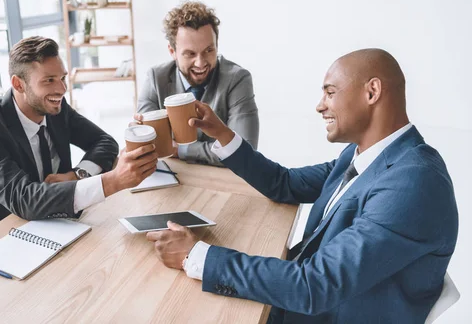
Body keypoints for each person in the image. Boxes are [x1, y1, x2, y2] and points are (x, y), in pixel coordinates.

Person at [146, 49, 458, 323]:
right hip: (298, 302)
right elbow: (285, 183)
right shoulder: (362, 154)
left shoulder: (414, 182)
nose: (320, 106)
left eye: (330, 92)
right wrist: (222, 133)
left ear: (372, 91)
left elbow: (314, 286)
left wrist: (197, 255)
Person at [0, 36, 158, 268]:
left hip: (45, 233)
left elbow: (104, 142)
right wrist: (112, 181)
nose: (61, 89)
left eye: (62, 78)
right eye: (49, 80)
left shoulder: (54, 107)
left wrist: (79, 174)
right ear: (18, 84)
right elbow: (24, 198)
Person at [135, 1, 259, 166]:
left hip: (224, 181)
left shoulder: (237, 79)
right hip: (175, 179)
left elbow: (244, 152)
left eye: (209, 50)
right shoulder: (156, 78)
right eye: (190, 54)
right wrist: (138, 135)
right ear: (172, 52)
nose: (200, 63)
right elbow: (150, 147)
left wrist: (180, 150)